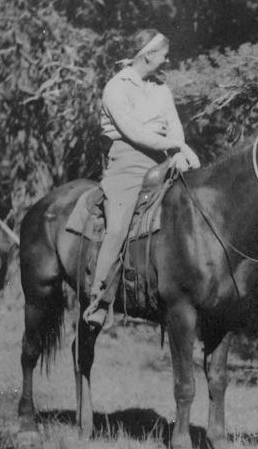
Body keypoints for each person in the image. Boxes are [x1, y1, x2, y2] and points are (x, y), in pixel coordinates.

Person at [83, 29, 201, 330]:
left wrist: (179, 148)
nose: (167, 59)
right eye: (163, 53)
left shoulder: (161, 89)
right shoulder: (116, 88)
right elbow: (134, 132)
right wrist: (172, 145)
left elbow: (175, 127)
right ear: (147, 54)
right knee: (118, 226)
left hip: (163, 161)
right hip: (128, 162)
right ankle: (99, 301)